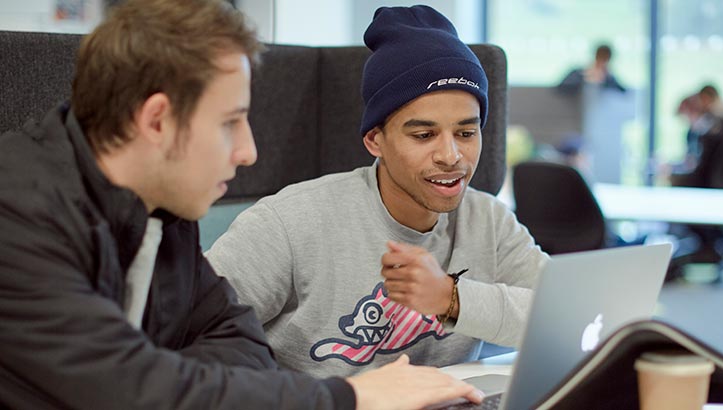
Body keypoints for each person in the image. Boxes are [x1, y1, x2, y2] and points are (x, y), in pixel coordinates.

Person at [0, 0, 483, 409]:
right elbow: (125, 389)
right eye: (230, 122)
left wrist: (173, 383)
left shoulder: (160, 208)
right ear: (156, 121)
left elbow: (238, 337)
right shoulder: (18, 215)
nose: (248, 151)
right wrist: (349, 397)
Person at [207, 5, 548, 378]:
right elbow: (184, 335)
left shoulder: (489, 221)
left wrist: (450, 298)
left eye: (466, 133)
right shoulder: (289, 223)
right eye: (424, 135)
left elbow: (567, 316)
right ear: (375, 140)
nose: (452, 156)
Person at [557, 44, 626, 94]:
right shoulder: (578, 73)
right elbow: (561, 89)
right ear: (596, 57)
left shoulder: (609, 79)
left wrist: (606, 78)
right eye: (601, 58)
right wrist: (584, 79)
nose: (602, 63)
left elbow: (622, 91)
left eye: (605, 59)